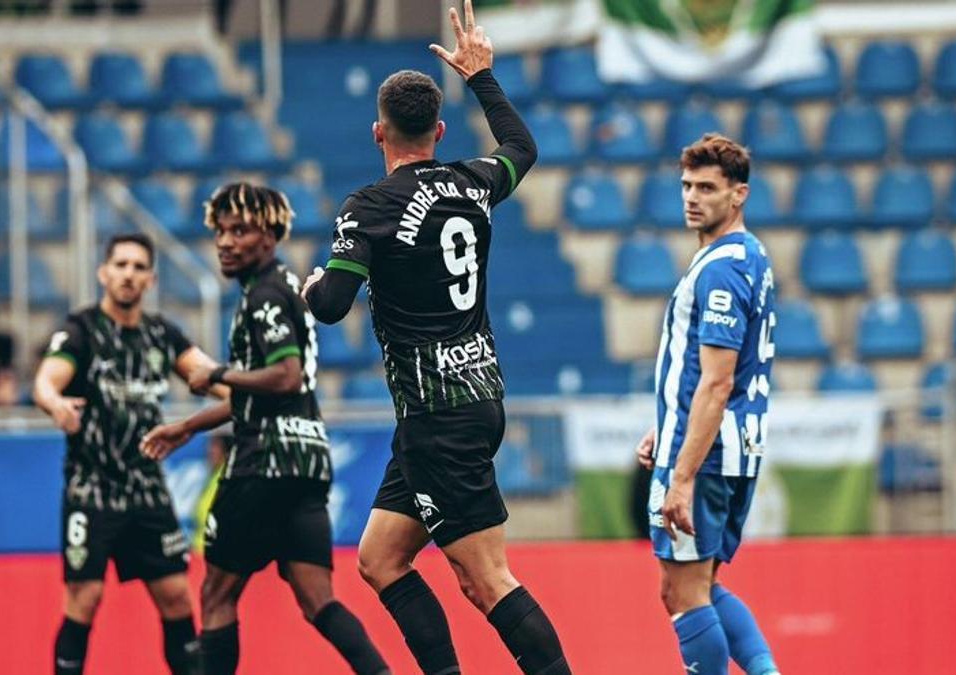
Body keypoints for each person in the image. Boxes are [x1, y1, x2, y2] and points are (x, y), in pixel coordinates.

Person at [301, 3, 569, 673]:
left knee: (486, 579)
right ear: (441, 129)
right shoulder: (472, 183)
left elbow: (332, 304)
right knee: (380, 558)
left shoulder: (371, 206)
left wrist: (307, 286)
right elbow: (522, 149)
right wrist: (482, 75)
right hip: (469, 396)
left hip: (438, 414)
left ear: (377, 131)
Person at [140, 182, 389, 675]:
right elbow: (267, 391)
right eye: (222, 231)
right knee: (318, 600)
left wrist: (216, 374)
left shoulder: (265, 297)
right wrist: (190, 426)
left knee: (215, 594)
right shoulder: (280, 292)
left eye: (241, 230)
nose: (226, 242)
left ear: (270, 237)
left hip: (264, 464)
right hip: (308, 462)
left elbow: (285, 376)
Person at [33, 232, 226, 675]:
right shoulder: (79, 330)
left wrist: (260, 387)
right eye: (120, 265)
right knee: (85, 598)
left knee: (176, 594)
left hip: (146, 489)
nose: (128, 274)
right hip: (91, 489)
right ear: (104, 273)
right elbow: (46, 381)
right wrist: (54, 402)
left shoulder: (162, 335)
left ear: (151, 279)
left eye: (139, 267)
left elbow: (212, 376)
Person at [633, 133, 780, 675]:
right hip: (730, 445)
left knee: (682, 593)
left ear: (738, 194)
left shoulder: (719, 268)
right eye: (687, 186)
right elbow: (714, 374)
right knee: (703, 583)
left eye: (708, 188)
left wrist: (683, 475)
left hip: (708, 456)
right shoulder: (751, 254)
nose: (692, 197)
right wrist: (667, 425)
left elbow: (717, 383)